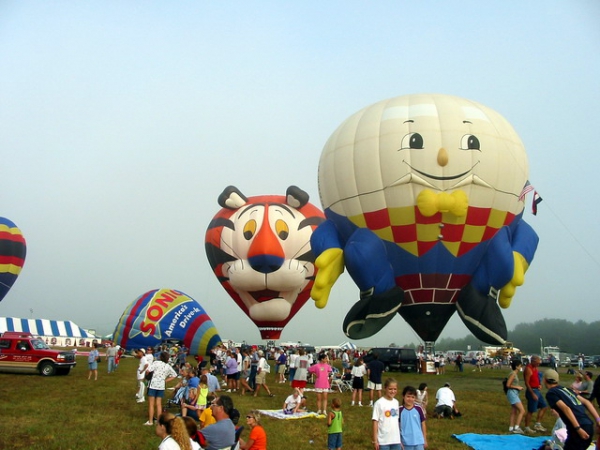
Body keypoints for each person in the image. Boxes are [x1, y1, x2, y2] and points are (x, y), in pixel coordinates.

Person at [543, 368, 600, 450]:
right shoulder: (566, 389)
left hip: (578, 429)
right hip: (588, 424)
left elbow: (566, 408)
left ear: (545, 380)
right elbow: (587, 402)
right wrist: (598, 420)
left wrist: (578, 428)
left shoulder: (551, 393)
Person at [145, 351, 179, 426]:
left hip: (153, 385)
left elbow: (148, 370)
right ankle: (159, 421)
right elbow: (174, 375)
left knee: (151, 404)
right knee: (159, 404)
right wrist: (166, 380)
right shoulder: (168, 366)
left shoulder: (156, 363)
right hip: (161, 386)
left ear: (160, 357)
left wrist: (147, 375)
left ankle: (150, 421)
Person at [372, 377, 401, 450]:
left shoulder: (396, 402)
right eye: (390, 389)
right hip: (383, 441)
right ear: (385, 388)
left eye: (395, 389)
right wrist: (375, 440)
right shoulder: (379, 403)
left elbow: (397, 421)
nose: (393, 391)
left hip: (396, 440)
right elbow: (375, 422)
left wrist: (400, 439)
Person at [523, 355, 548, 434]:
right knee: (531, 410)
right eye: (537, 363)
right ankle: (527, 427)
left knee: (544, 406)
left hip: (537, 390)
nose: (538, 364)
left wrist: (539, 384)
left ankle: (538, 424)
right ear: (533, 361)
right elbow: (527, 383)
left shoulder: (535, 368)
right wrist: (532, 393)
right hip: (532, 391)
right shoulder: (528, 369)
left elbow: (537, 378)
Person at [399, 386, 427, 450]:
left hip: (419, 441)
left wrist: (424, 439)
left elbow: (423, 424)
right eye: (408, 396)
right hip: (406, 443)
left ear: (415, 398)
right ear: (403, 396)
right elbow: (397, 426)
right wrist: (400, 441)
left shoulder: (419, 409)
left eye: (412, 397)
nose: (410, 399)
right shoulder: (399, 410)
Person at [505, 360, 525, 434]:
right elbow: (508, 385)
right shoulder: (513, 374)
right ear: (516, 366)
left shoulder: (514, 373)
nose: (521, 367)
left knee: (514, 411)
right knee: (522, 410)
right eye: (520, 366)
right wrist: (517, 387)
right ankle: (517, 427)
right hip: (512, 393)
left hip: (514, 393)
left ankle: (511, 427)